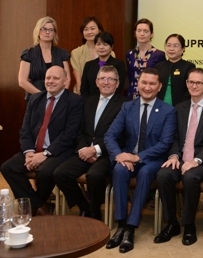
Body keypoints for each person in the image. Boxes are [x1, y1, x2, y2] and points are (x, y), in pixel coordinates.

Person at [104, 68, 176, 253]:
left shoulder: (168, 110)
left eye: (152, 83)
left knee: (144, 173)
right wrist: (119, 156)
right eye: (144, 82)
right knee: (119, 170)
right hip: (127, 157)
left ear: (159, 87)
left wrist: (137, 157)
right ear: (138, 84)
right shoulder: (128, 107)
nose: (147, 87)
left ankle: (130, 228)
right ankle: (120, 224)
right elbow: (110, 135)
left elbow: (165, 143)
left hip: (151, 159)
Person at [1, 66, 84, 215]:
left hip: (59, 151)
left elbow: (69, 135)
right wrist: (29, 153)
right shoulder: (35, 99)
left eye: (56, 78)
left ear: (65, 81)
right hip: (33, 150)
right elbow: (25, 129)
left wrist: (45, 154)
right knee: (8, 167)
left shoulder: (75, 101)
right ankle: (39, 206)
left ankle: (33, 206)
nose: (50, 81)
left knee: (45, 171)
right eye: (48, 78)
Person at [155, 68, 203, 246]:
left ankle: (189, 225)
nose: (194, 86)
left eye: (199, 83)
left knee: (191, 178)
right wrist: (175, 155)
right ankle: (172, 223)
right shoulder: (179, 108)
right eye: (191, 82)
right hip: (181, 158)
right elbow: (174, 137)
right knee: (163, 175)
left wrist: (195, 161)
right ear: (186, 84)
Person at [53, 65, 126, 220]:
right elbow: (78, 130)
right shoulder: (87, 102)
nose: (106, 82)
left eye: (111, 79)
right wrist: (83, 149)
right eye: (102, 79)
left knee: (94, 176)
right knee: (60, 173)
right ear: (96, 82)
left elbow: (122, 135)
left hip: (108, 153)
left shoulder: (125, 105)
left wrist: (96, 150)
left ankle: (95, 211)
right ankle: (84, 207)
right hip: (84, 150)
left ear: (117, 83)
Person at [18, 16, 71, 100]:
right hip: (35, 97)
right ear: (38, 32)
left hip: (58, 98)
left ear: (54, 33)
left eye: (51, 30)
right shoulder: (28, 54)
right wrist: (42, 96)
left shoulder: (62, 54)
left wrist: (60, 96)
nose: (47, 32)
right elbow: (22, 81)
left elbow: (67, 78)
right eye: (44, 29)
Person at [125, 18, 166, 99]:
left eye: (145, 31)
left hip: (151, 94)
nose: (142, 34)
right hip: (131, 95)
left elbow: (161, 78)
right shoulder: (130, 54)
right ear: (135, 33)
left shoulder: (159, 54)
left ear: (151, 34)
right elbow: (129, 76)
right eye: (139, 31)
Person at [70, 17, 111, 95]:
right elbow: (78, 80)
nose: (89, 32)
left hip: (105, 92)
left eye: (92, 28)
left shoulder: (110, 53)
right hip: (82, 92)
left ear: (100, 30)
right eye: (86, 29)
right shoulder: (76, 52)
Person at [80, 32, 126, 98]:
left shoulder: (119, 64)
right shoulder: (89, 65)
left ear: (112, 47)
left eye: (105, 44)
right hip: (90, 103)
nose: (101, 47)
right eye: (98, 44)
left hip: (112, 103)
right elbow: (84, 89)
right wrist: (89, 103)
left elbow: (118, 88)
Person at [156, 34, 196, 106]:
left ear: (183, 48)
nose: (171, 49)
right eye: (168, 45)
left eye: (175, 46)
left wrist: (180, 105)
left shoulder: (189, 66)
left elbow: (191, 89)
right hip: (159, 107)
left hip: (182, 107)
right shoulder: (159, 66)